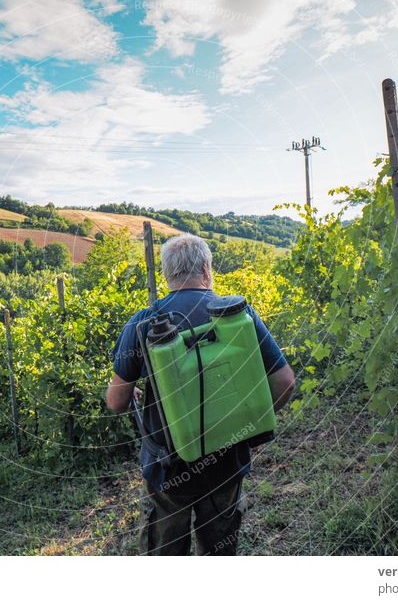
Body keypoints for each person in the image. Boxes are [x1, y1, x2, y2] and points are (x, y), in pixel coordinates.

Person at [107, 233, 295, 555]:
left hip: (168, 471)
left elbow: (116, 402)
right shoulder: (238, 316)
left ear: (167, 276)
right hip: (226, 464)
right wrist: (251, 424)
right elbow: (285, 382)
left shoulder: (141, 324)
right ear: (207, 269)